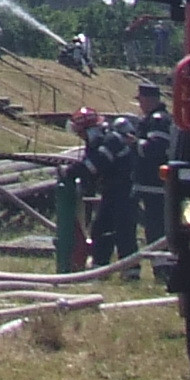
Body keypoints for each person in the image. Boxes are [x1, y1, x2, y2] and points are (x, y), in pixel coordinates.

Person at [64, 106, 139, 276]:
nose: (80, 136)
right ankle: (99, 267)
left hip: (125, 191)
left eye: (81, 132)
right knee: (101, 229)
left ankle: (131, 271)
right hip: (112, 190)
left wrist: (70, 172)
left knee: (124, 231)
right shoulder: (99, 142)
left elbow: (94, 166)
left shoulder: (110, 141)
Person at [132, 81, 173, 256]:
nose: (140, 104)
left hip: (154, 184)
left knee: (156, 228)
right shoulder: (153, 119)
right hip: (148, 184)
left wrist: (134, 144)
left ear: (149, 100)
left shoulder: (158, 120)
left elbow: (156, 149)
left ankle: (162, 265)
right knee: (151, 226)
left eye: (141, 100)